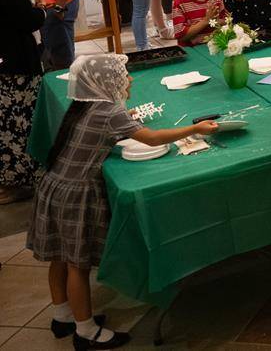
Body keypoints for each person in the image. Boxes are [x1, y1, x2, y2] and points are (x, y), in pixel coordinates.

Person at [28, 54, 218, 349]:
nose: (129, 79)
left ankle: (62, 315)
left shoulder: (85, 105)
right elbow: (152, 138)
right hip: (75, 196)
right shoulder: (109, 112)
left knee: (60, 256)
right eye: (124, 75)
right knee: (77, 264)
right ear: (106, 83)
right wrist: (195, 129)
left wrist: (126, 120)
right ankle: (85, 331)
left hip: (54, 187)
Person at [0, 0, 45, 205]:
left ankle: (12, 179)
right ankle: (20, 182)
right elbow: (26, 20)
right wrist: (40, 9)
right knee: (19, 122)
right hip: (15, 59)